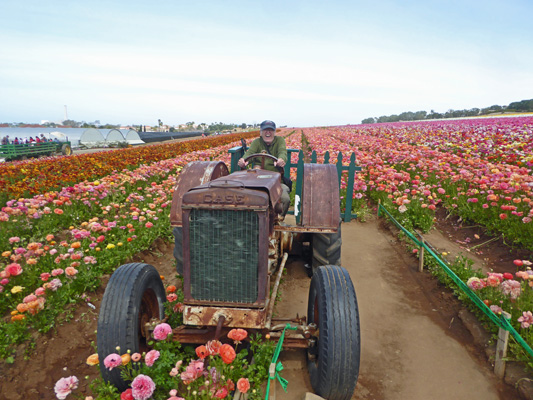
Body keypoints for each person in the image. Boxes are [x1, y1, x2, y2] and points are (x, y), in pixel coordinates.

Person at [238, 120, 290, 219]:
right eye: (265, 130)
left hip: (275, 181)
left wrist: (281, 160)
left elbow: (282, 152)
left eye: (271, 130)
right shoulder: (257, 142)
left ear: (274, 132)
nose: (268, 133)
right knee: (244, 196)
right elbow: (249, 154)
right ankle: (251, 220)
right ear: (261, 132)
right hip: (257, 180)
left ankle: (279, 218)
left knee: (285, 199)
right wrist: (244, 161)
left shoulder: (279, 141)